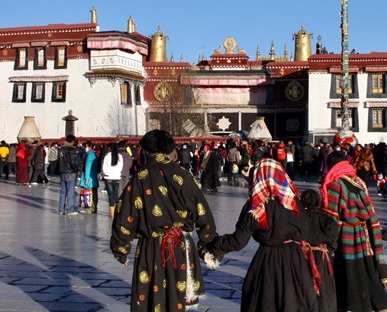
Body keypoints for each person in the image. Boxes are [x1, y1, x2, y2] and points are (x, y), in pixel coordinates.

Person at [111, 130, 218, 312]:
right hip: (180, 245)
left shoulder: (141, 177)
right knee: (177, 297)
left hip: (150, 247)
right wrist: (209, 244)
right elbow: (201, 210)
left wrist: (121, 249)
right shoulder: (182, 174)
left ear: (148, 151)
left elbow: (125, 214)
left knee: (151, 298)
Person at [206, 159, 319, 312]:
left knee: (265, 302)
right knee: (295, 301)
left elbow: (238, 241)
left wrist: (215, 246)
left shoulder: (255, 207)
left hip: (267, 261)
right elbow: (304, 232)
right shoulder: (293, 202)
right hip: (294, 260)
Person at [321, 150, 387, 312]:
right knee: (365, 272)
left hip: (344, 237)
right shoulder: (358, 181)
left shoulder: (334, 183)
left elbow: (330, 217)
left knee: (348, 274)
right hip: (363, 235)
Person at [301, 189, 338, 312]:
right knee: (324, 292)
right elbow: (333, 242)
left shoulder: (298, 220)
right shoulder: (327, 220)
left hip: (303, 257)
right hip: (322, 259)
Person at [56, 135, 80, 216]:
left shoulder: (60, 150)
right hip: (70, 172)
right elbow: (73, 162)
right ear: (72, 141)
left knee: (63, 192)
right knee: (70, 192)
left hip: (62, 172)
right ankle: (70, 210)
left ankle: (61, 209)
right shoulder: (72, 150)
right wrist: (75, 170)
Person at [102, 143, 122, 218]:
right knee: (116, 194)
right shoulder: (119, 156)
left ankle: (112, 212)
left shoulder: (107, 156)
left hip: (108, 177)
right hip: (117, 177)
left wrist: (106, 173)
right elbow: (121, 166)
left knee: (110, 195)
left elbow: (104, 166)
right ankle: (119, 210)